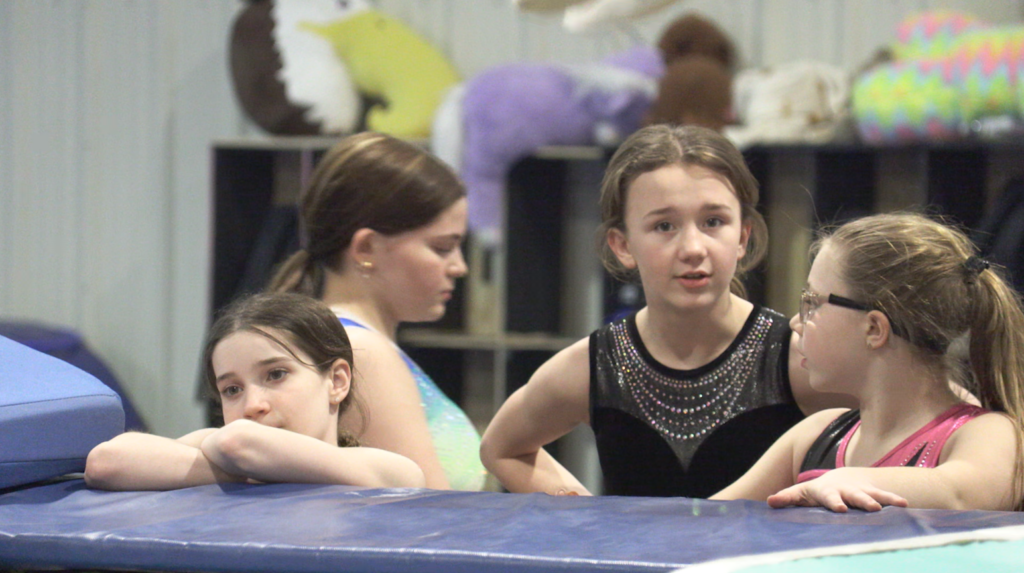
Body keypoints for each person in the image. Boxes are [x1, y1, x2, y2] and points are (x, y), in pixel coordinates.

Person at [480, 124, 853, 497]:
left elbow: (889, 443)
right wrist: (585, 518)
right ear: (623, 245)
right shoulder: (595, 367)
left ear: (742, 236)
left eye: (713, 222)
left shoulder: (797, 359)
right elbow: (502, 449)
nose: (692, 248)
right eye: (664, 226)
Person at [712, 212, 1024, 512]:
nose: (796, 322)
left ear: (874, 328)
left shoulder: (986, 433)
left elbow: (958, 494)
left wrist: (851, 479)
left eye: (812, 303)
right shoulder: (815, 435)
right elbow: (707, 518)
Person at [267, 131, 487, 491]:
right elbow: (429, 513)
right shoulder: (362, 352)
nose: (459, 267)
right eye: (442, 248)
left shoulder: (346, 341)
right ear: (367, 247)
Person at [85, 292, 425, 490]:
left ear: (336, 381)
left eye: (276, 374)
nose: (252, 405)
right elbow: (106, 462)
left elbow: (238, 441)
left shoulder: (390, 469)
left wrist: (229, 467)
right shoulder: (230, 451)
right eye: (232, 389)